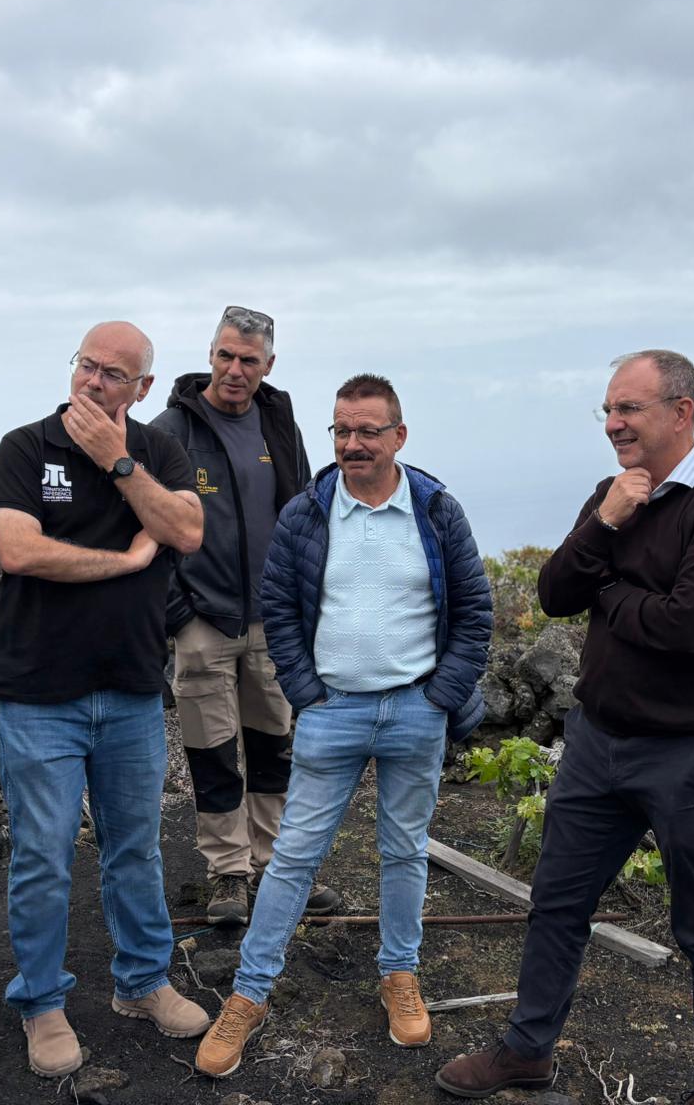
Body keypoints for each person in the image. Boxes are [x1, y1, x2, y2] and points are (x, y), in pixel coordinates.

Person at [439, 350, 694, 1104]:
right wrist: (608, 522)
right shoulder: (612, 494)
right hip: (598, 743)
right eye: (609, 411)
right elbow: (558, 591)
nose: (614, 424)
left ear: (681, 413)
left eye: (630, 409)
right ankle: (527, 1051)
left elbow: (685, 625)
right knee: (557, 904)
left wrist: (611, 591)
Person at [195, 373, 493, 1078]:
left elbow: (474, 610)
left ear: (399, 436)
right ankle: (249, 993)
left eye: (367, 431)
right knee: (294, 857)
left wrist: (439, 697)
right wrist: (308, 694)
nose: (353, 443)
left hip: (415, 710)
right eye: (341, 431)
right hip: (334, 712)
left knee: (404, 851)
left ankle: (399, 973)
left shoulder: (435, 509)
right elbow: (280, 605)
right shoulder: (308, 512)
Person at [0, 321, 210, 1078]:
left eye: (114, 375)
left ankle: (142, 983)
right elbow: (18, 551)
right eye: (87, 366)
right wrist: (121, 560)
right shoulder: (24, 447)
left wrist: (114, 461)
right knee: (44, 857)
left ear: (142, 388)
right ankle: (42, 1001)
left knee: (136, 850)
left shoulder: (156, 450)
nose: (93, 383)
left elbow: (184, 531)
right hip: (39, 694)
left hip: (131, 692)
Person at [150, 306, 340, 924]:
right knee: (210, 749)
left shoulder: (278, 424)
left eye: (249, 360)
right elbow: (147, 524)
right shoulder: (172, 428)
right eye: (226, 355)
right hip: (203, 619)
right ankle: (228, 872)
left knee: (273, 745)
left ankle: (277, 863)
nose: (235, 370)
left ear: (269, 365)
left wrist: (302, 601)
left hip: (273, 618)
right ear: (210, 353)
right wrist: (179, 614)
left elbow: (306, 512)